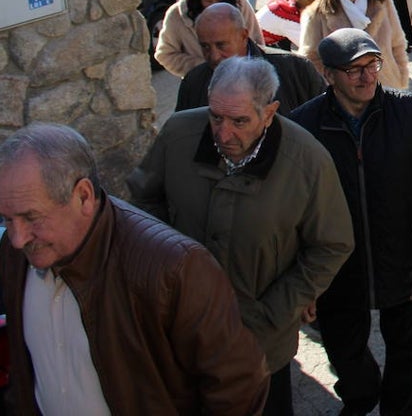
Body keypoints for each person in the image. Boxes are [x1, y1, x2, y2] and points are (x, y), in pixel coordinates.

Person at [129, 56, 353, 416]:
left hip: (260, 342)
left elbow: (332, 244)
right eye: (215, 117)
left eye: (239, 121)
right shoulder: (179, 134)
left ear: (269, 112)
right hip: (180, 330)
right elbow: (143, 200)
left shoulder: (307, 160)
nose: (223, 133)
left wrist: (275, 311)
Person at [0, 124, 271, 414]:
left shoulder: (174, 268)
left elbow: (238, 388)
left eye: (32, 217)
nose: (17, 239)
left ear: (83, 196)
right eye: (6, 219)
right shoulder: (16, 251)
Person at [290, 28, 412, 415]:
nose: (366, 76)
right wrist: (303, 284)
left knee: (407, 354)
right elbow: (296, 212)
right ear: (327, 74)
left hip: (401, 259)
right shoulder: (302, 127)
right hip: (339, 270)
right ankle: (361, 397)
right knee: (345, 352)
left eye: (372, 65)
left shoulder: (411, 114)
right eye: (353, 69)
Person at [175, 2, 325, 115]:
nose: (214, 56)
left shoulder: (296, 70)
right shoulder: (193, 83)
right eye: (205, 47)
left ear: (243, 36)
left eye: (221, 45)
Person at [300, 0, 410, 89]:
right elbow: (310, 57)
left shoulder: (381, 0)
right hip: (345, 91)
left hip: (386, 83)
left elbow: (398, 43)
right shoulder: (317, 12)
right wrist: (331, 86)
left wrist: (401, 76)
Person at [156, 0, 264, 77]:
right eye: (208, 1)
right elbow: (164, 54)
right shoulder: (176, 15)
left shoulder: (241, 5)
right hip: (201, 86)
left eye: (219, 1)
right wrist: (202, 68)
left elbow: (257, 44)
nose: (214, 6)